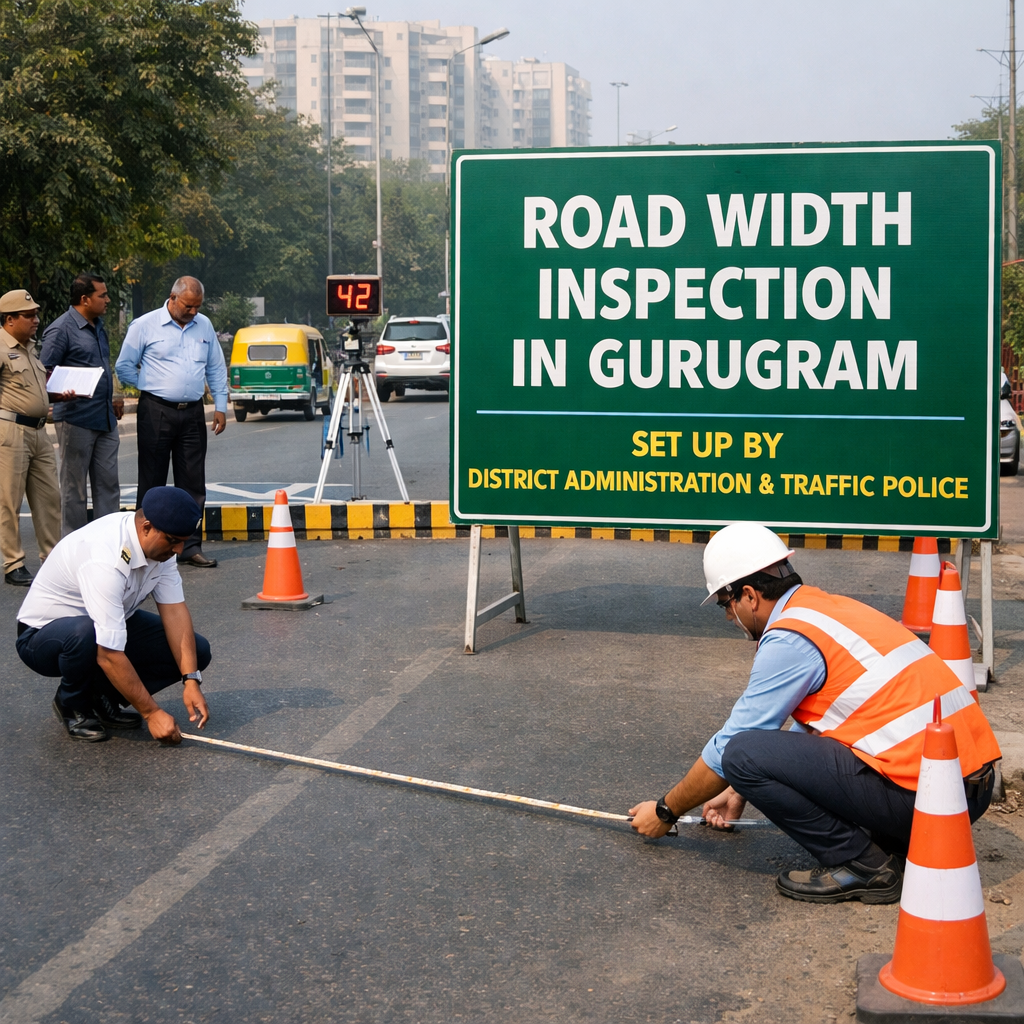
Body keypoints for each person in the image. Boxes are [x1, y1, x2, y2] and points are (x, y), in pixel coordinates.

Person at [629, 521, 1001, 905]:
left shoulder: (789, 639)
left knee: (740, 753)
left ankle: (862, 865)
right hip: (966, 791)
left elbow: (730, 750)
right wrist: (740, 789)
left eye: (727, 605)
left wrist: (665, 810)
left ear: (750, 595)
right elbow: (816, 729)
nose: (729, 618)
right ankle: (887, 840)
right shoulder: (825, 609)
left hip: (927, 799)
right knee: (747, 760)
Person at [15, 486, 212, 743]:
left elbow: (175, 612)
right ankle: (72, 702)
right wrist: (151, 713)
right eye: (174, 541)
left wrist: (191, 679)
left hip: (107, 622)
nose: (178, 550)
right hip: (43, 636)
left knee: (197, 651)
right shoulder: (104, 556)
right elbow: (109, 653)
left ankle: (101, 696)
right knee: (86, 634)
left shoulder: (162, 547)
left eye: (183, 542)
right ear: (146, 527)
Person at [115, 276, 226, 568]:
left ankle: (189, 546)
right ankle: (145, 544)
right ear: (173, 298)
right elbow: (124, 366)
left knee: (193, 481)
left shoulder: (204, 326)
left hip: (192, 412)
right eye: (188, 306)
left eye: (197, 307)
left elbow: (215, 367)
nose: (193, 312)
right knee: (152, 479)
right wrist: (150, 384)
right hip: (156, 410)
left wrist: (221, 406)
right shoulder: (144, 325)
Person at [0, 289, 77, 587]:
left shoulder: (29, 348)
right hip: (10, 432)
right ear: (9, 319)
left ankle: (52, 558)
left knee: (49, 498)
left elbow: (34, 391)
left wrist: (55, 394)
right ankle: (13, 563)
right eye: (29, 315)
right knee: (8, 500)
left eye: (35, 314)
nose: (36, 320)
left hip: (38, 430)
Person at [40, 273, 124, 537]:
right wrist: (59, 391)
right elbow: (43, 373)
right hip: (76, 419)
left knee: (108, 485)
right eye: (103, 295)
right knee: (74, 490)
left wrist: (114, 396)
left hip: (105, 419)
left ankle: (107, 544)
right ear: (85, 299)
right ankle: (72, 547)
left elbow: (103, 368)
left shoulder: (98, 326)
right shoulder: (61, 329)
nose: (108, 300)